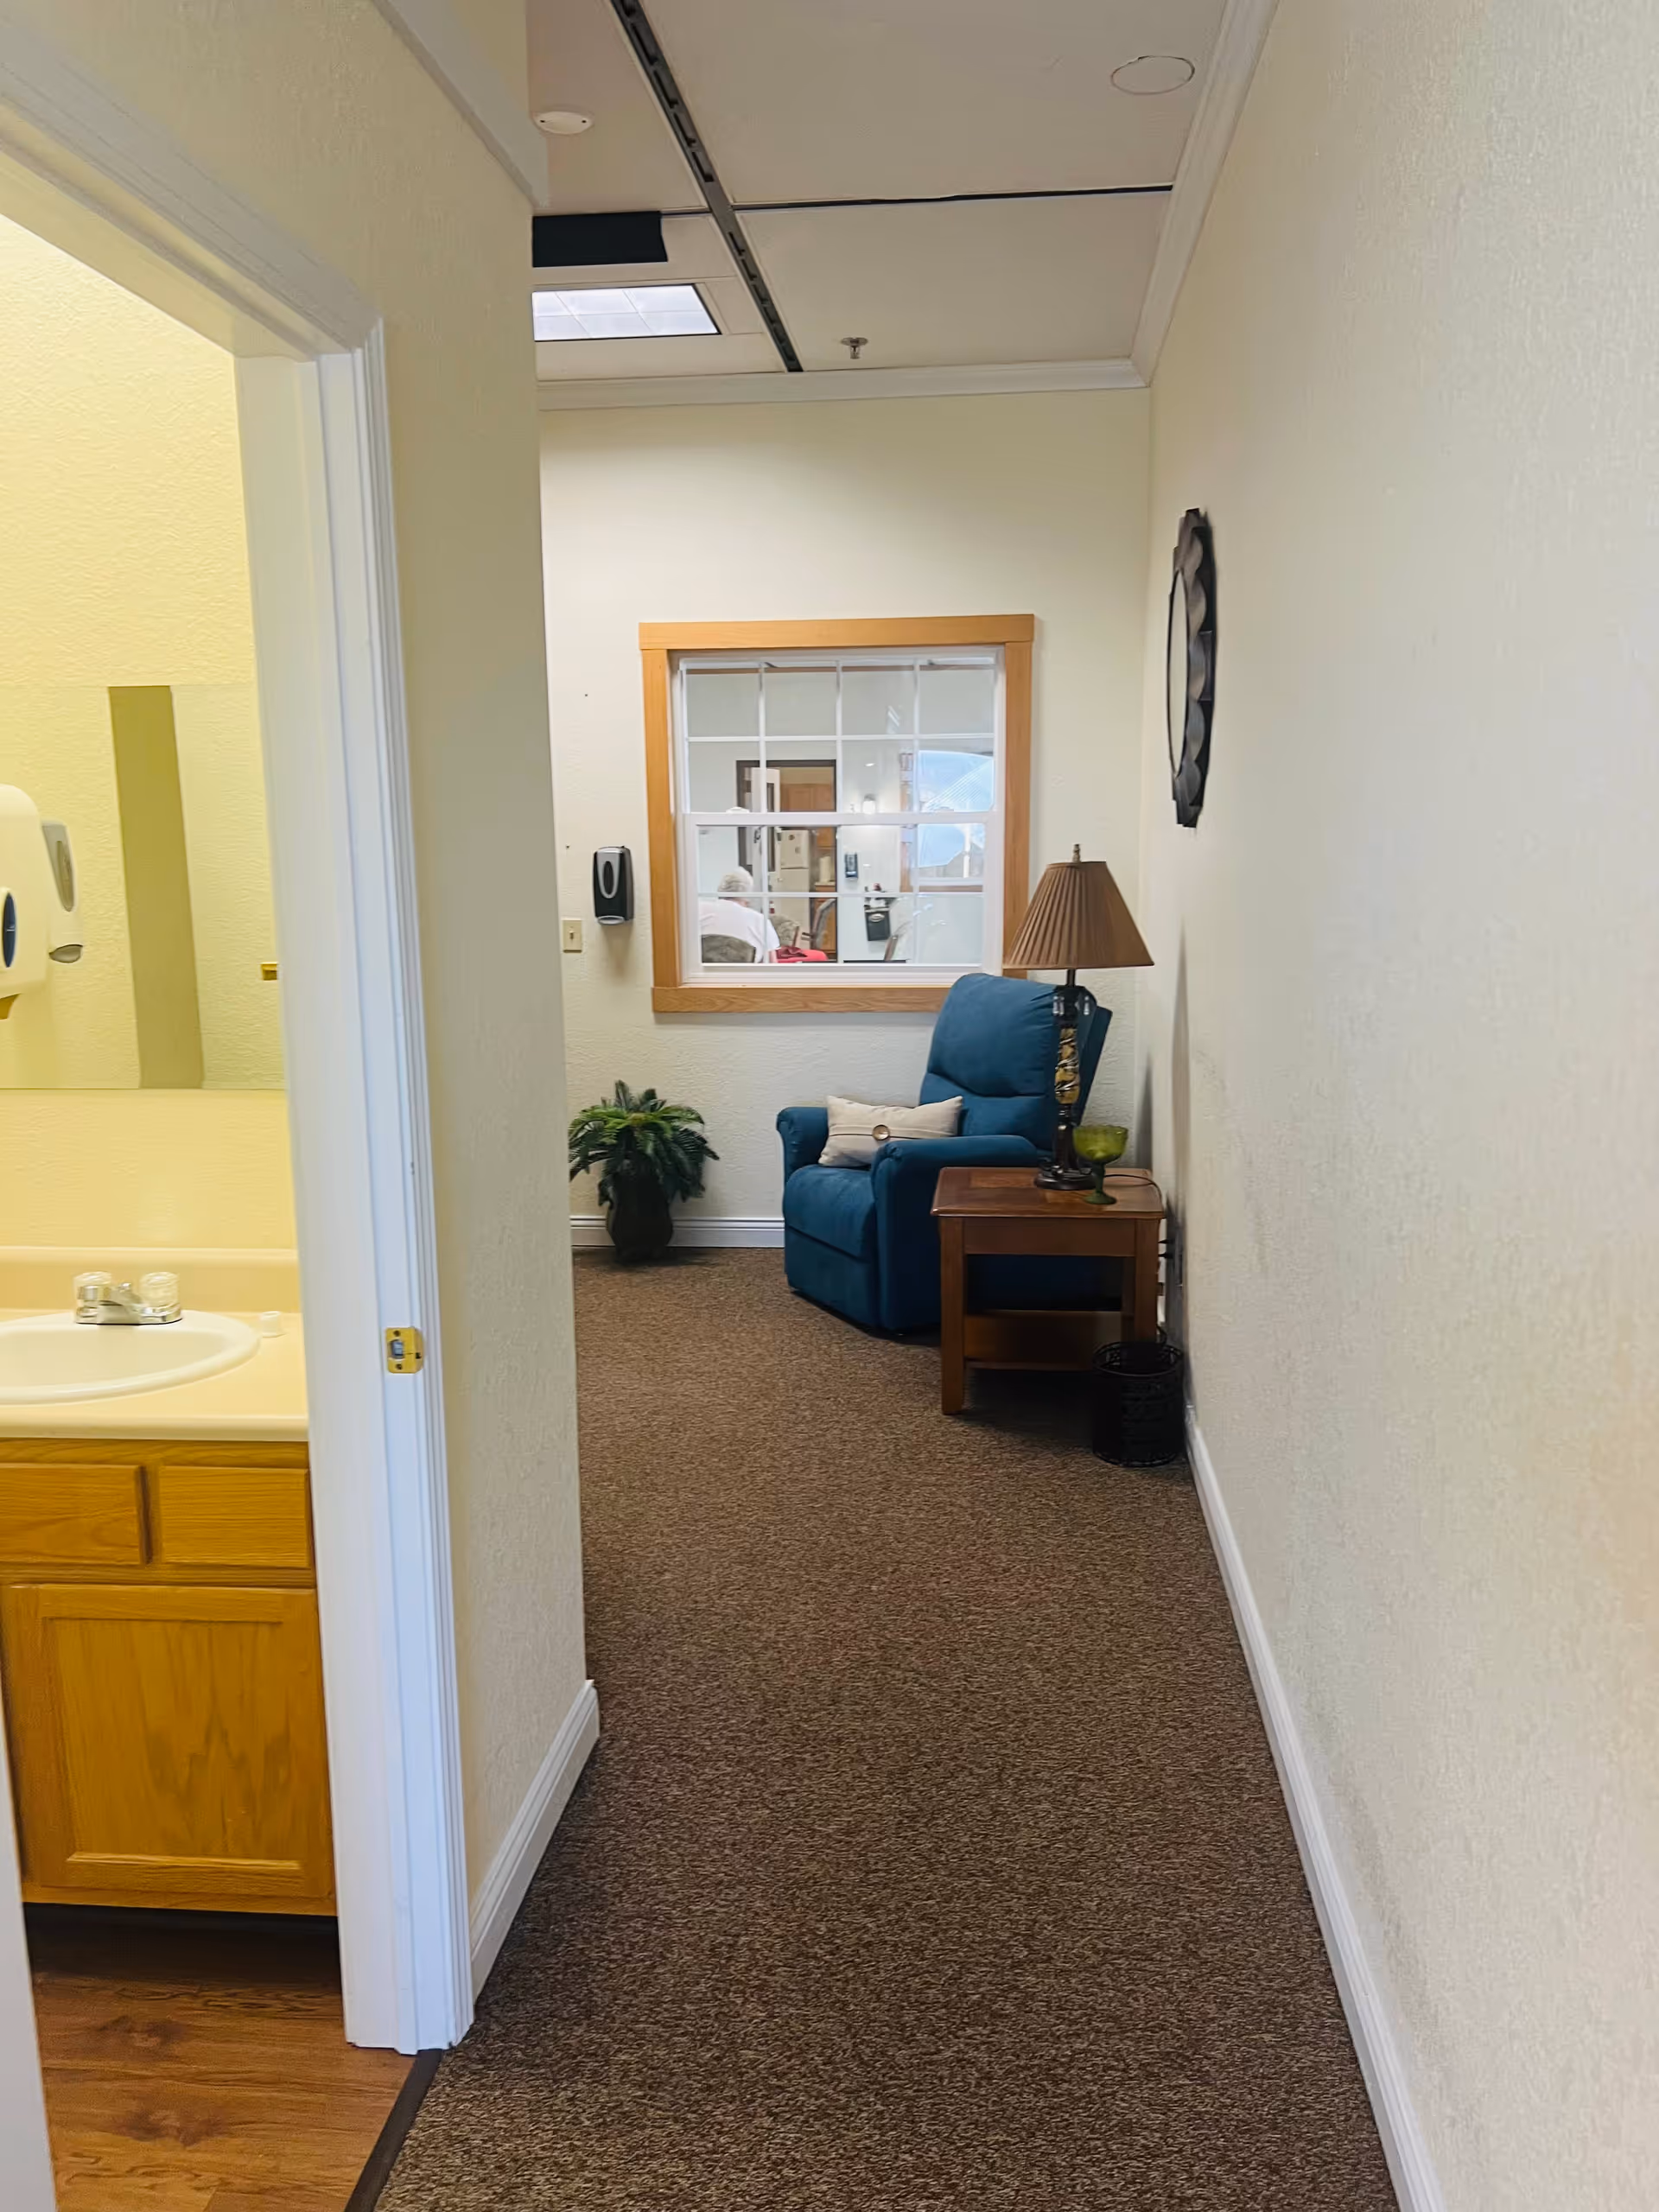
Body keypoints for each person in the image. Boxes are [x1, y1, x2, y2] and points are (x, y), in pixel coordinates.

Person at [697, 866, 779, 962]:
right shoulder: (759, 920)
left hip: (700, 975)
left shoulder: (698, 910)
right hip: (744, 976)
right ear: (748, 895)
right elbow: (772, 964)